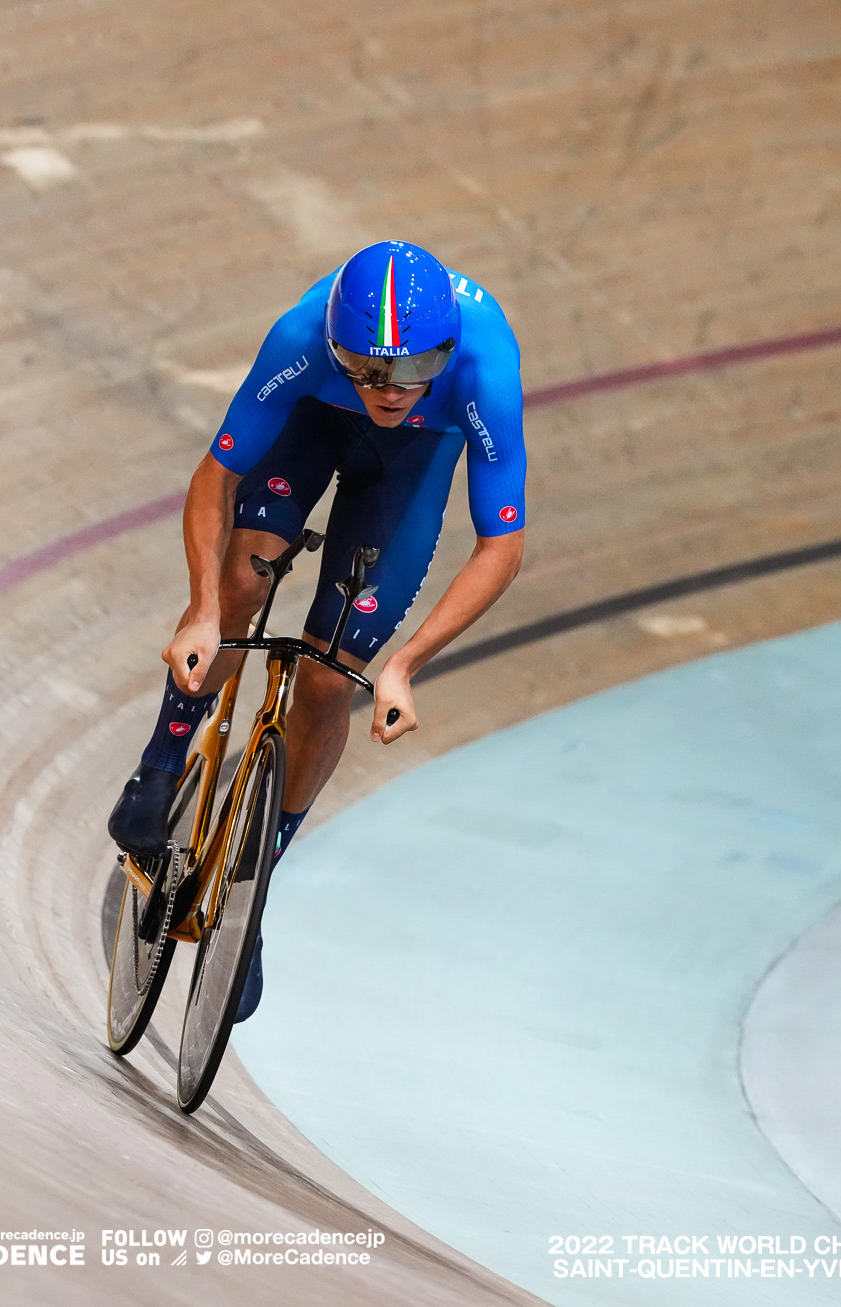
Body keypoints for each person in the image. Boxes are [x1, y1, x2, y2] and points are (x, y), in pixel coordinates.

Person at [107, 240, 528, 1019]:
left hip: (412, 467)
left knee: (331, 677)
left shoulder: (483, 366)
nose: (390, 390)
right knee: (240, 582)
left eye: (412, 370)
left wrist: (406, 662)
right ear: (336, 345)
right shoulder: (302, 338)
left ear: (447, 352)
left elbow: (501, 544)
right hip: (311, 427)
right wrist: (202, 610)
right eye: (367, 369)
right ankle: (158, 769)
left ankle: (250, 888)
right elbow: (217, 474)